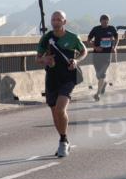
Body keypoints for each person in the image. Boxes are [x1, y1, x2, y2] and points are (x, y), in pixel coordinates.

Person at [36, 10, 88, 157]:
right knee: (54, 112)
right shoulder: (46, 38)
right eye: (53, 19)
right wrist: (45, 60)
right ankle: (63, 138)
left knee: (60, 109)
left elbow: (84, 51)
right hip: (52, 78)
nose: (55, 22)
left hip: (68, 77)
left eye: (59, 19)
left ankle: (64, 141)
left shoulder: (72, 37)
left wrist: (77, 60)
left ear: (64, 22)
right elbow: (37, 59)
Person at [86, 14, 119, 101]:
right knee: (98, 74)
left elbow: (116, 38)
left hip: (107, 55)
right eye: (103, 21)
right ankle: (103, 84)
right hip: (97, 55)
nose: (105, 22)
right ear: (100, 21)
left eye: (106, 20)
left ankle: (97, 94)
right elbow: (88, 40)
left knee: (102, 74)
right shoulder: (96, 29)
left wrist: (114, 47)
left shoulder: (112, 29)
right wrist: (95, 47)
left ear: (108, 21)